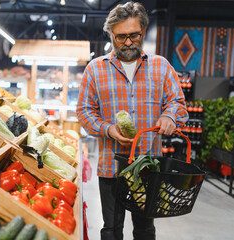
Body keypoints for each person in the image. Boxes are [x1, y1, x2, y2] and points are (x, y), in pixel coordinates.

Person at [76, 2, 189, 240]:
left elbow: (178, 103)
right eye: (120, 37)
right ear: (111, 35)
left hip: (149, 168)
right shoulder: (95, 69)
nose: (128, 42)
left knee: (145, 229)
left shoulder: (161, 66)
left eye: (133, 35)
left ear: (143, 32)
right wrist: (107, 129)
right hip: (111, 167)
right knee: (111, 229)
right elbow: (84, 112)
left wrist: (169, 115)